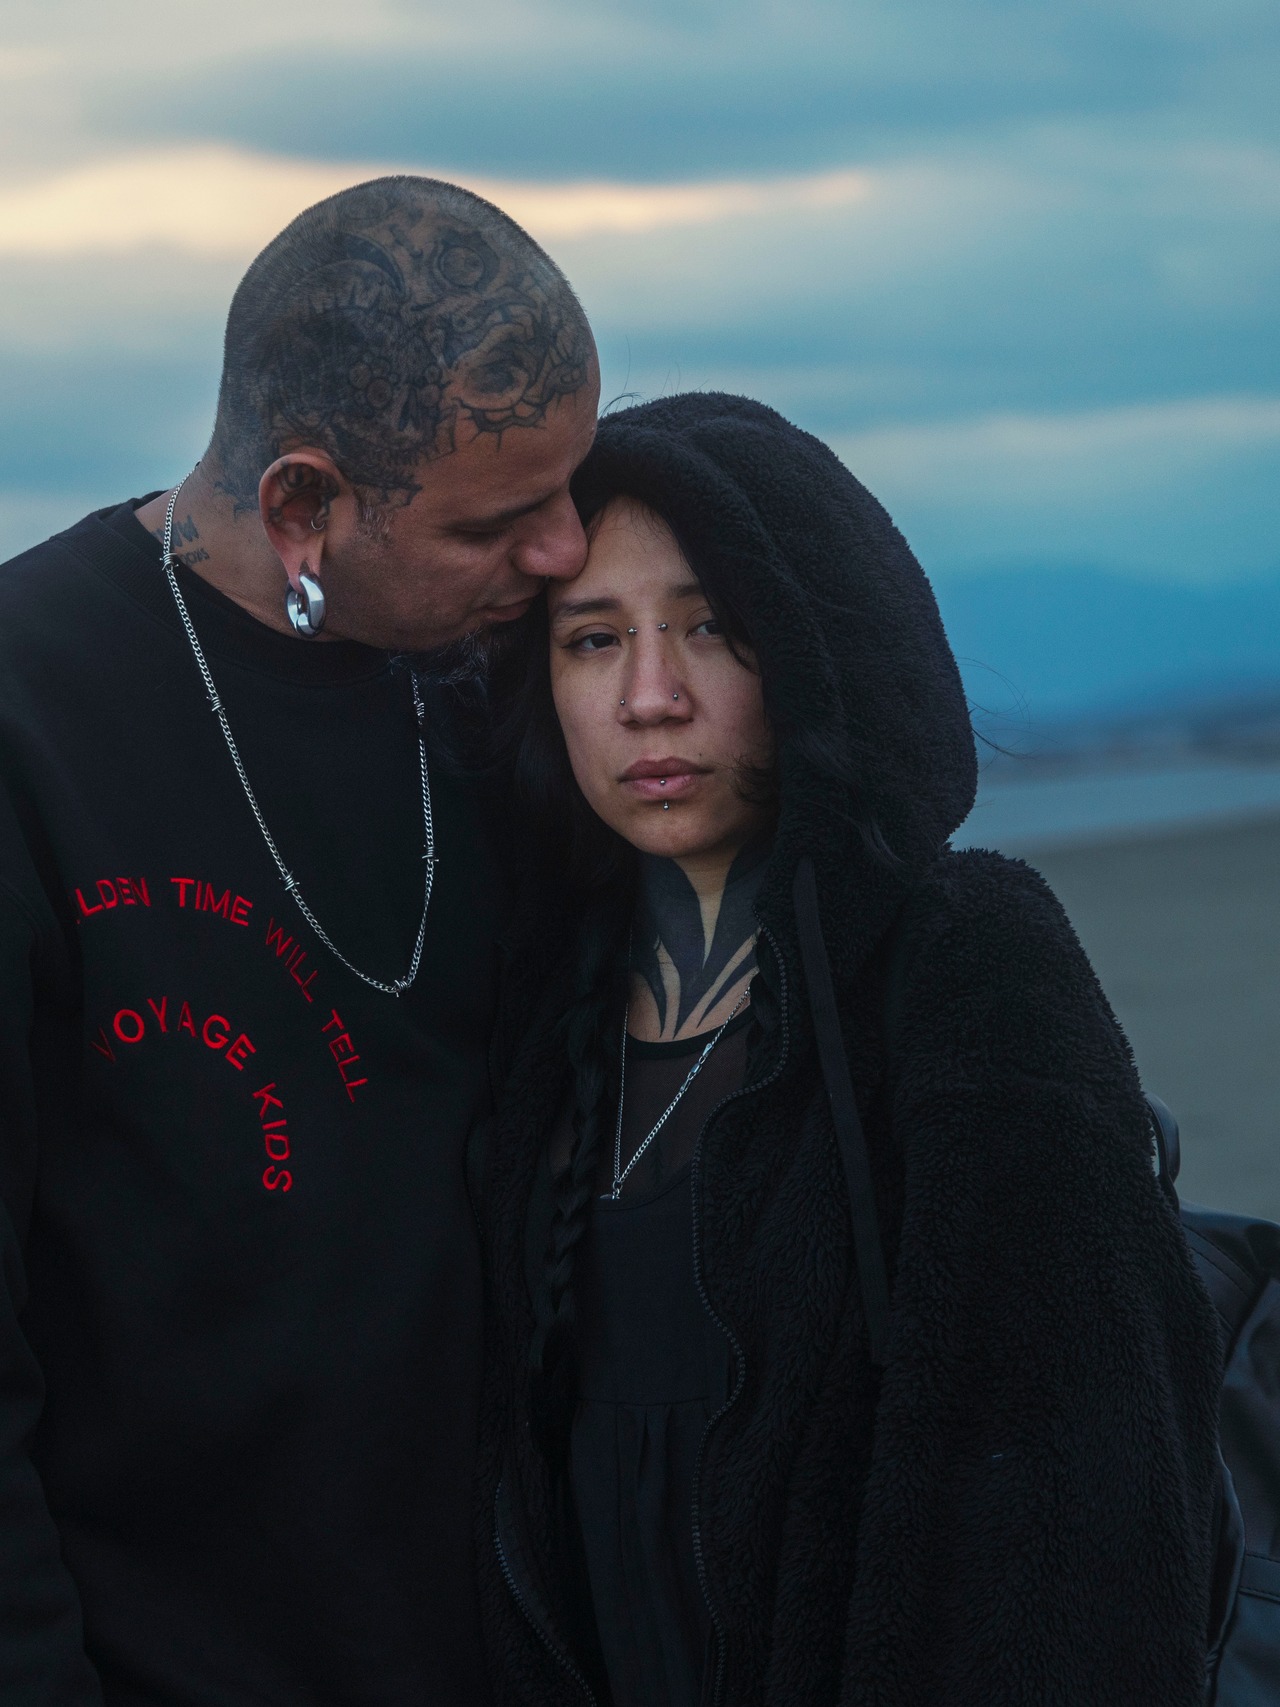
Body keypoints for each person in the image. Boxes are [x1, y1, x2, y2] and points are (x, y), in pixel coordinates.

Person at [472, 393, 1224, 1706]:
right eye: (593, 639)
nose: (650, 698)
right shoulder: (539, 1023)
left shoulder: (965, 961)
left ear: (820, 644)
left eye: (713, 627)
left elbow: (1078, 1506)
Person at [0, 176, 598, 1704]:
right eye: (497, 521)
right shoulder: (29, 726)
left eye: (571, 490)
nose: (564, 551)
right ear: (300, 507)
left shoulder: (508, 680)